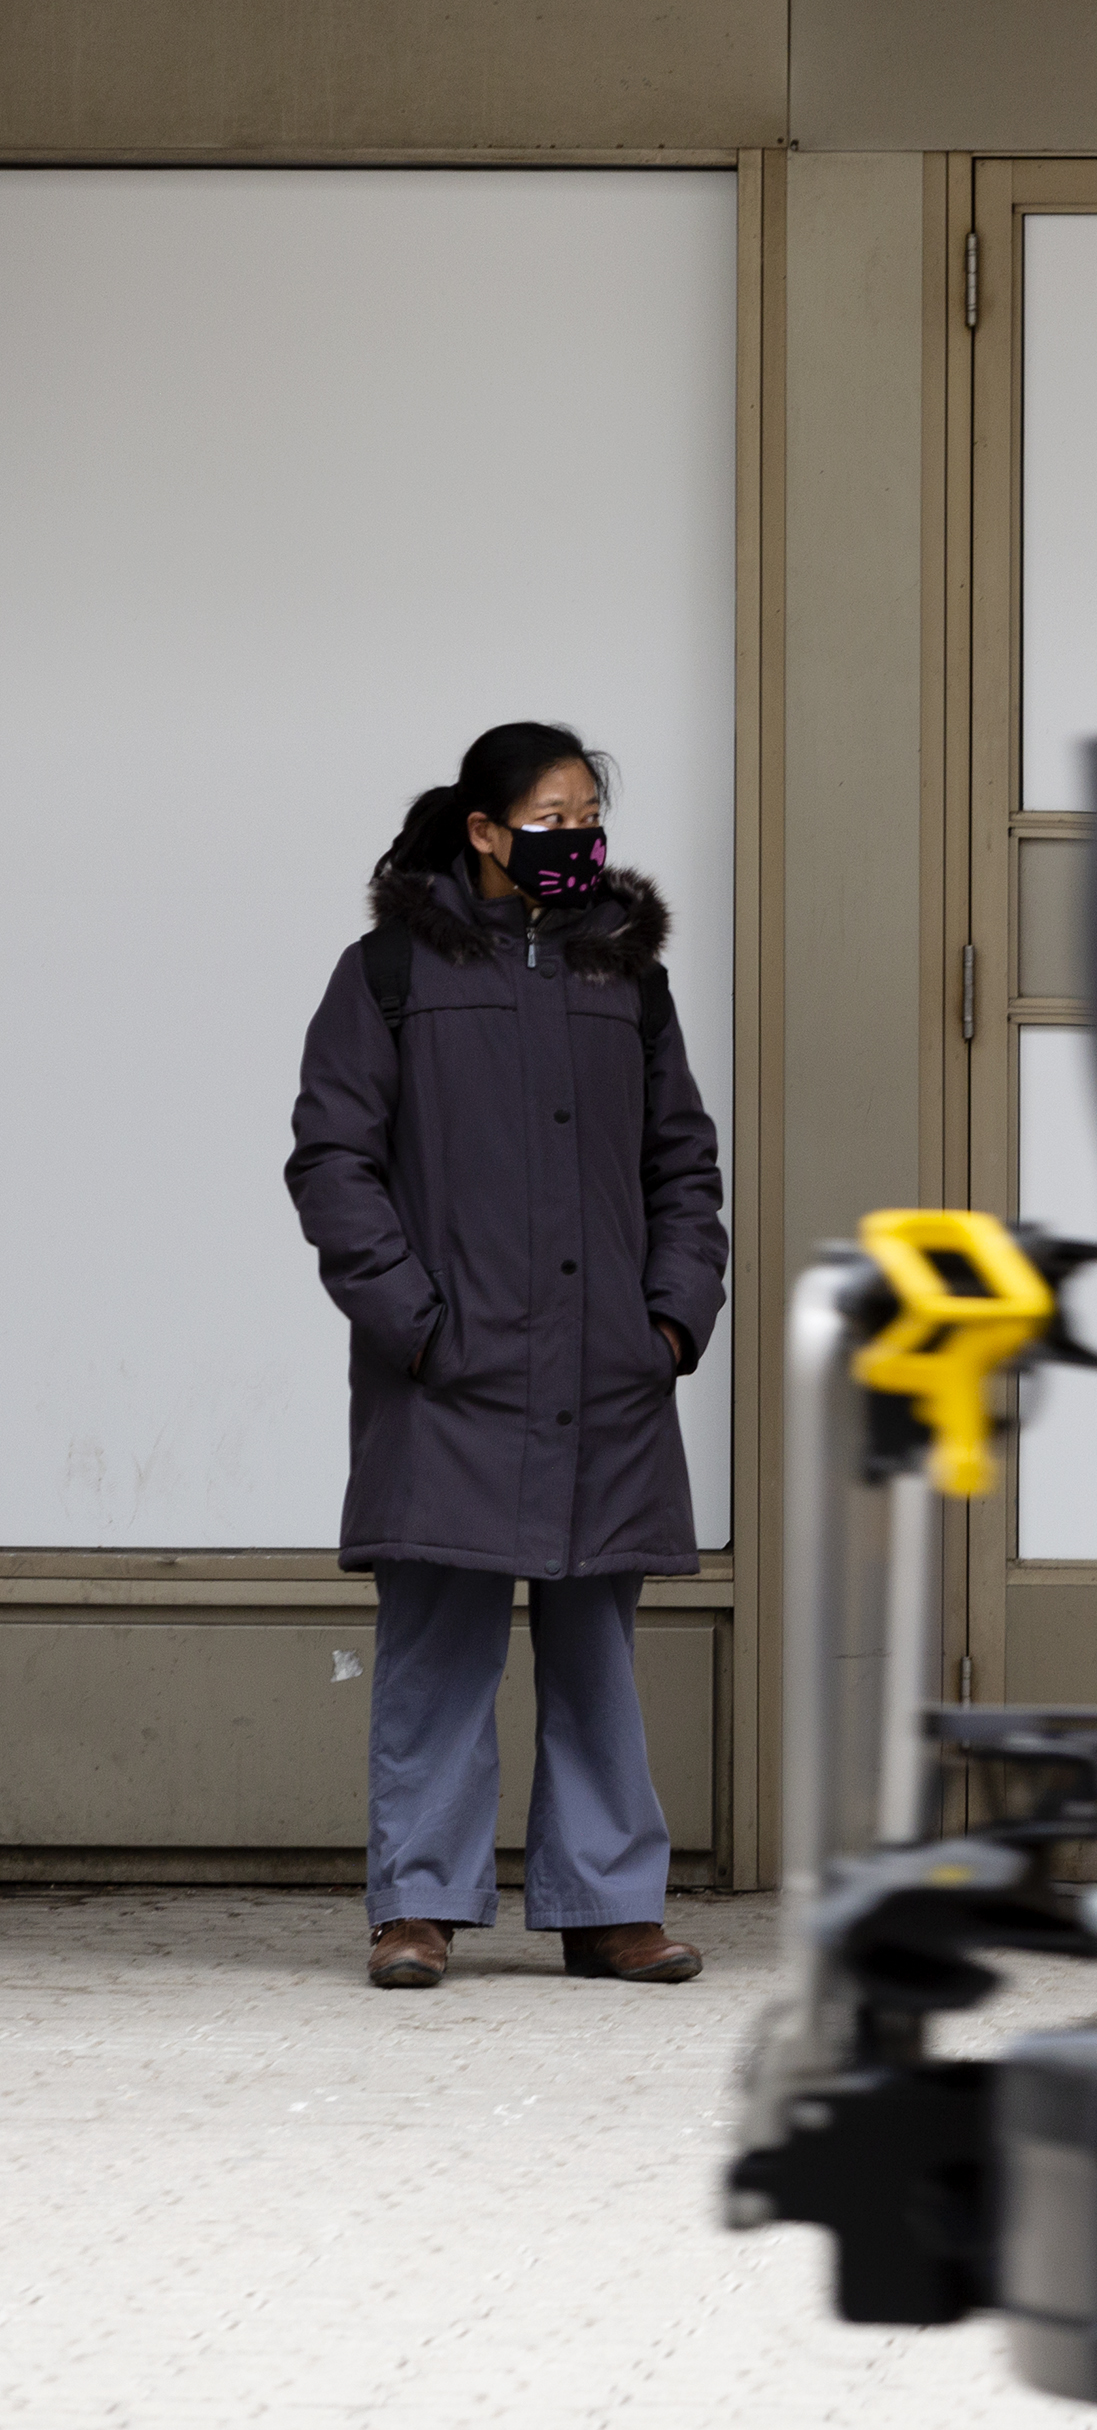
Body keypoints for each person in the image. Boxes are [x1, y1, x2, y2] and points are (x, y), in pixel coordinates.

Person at [287, 721, 728, 1989]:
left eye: (590, 814)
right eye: (550, 816)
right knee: (439, 1641)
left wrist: (670, 1320)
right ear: (483, 831)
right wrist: (413, 1322)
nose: (576, 837)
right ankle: (417, 1903)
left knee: (596, 1645)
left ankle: (610, 1905)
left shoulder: (626, 980)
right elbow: (333, 1162)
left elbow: (682, 1164)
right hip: (452, 1370)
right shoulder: (386, 975)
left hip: (606, 1372)